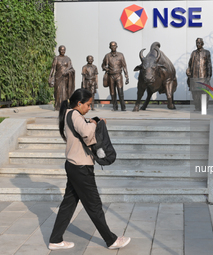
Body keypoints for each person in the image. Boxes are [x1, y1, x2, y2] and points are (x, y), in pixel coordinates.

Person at [48, 88, 130, 250]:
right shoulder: (75, 115)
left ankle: (56, 240)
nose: (89, 108)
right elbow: (86, 132)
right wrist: (97, 124)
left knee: (68, 204)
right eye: (88, 104)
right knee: (94, 205)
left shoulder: (69, 114)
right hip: (81, 167)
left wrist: (91, 122)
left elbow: (82, 130)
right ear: (79, 103)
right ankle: (111, 240)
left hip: (73, 165)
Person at [102, 41, 129, 111]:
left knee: (120, 92)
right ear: (110, 47)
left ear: (116, 47)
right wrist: (106, 69)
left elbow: (124, 66)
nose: (113, 47)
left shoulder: (120, 55)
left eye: (114, 46)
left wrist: (127, 76)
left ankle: (123, 107)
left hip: (118, 76)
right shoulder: (107, 56)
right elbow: (103, 65)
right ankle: (115, 106)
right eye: (111, 46)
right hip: (111, 76)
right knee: (112, 92)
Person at [186, 38, 212, 111]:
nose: (198, 44)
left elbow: (209, 65)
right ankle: (197, 107)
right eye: (197, 43)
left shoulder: (206, 52)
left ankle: (203, 107)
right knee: (195, 94)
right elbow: (190, 64)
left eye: (199, 43)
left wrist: (209, 76)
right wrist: (188, 71)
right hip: (194, 77)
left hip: (203, 77)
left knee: (204, 93)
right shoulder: (193, 53)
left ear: (202, 43)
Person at [49, 45, 75, 111]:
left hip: (65, 78)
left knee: (65, 92)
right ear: (59, 50)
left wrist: (67, 72)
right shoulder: (56, 58)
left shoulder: (68, 59)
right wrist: (50, 76)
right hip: (58, 78)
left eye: (64, 50)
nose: (62, 51)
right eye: (61, 49)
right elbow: (53, 68)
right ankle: (57, 106)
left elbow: (71, 68)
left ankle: (64, 106)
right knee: (57, 92)